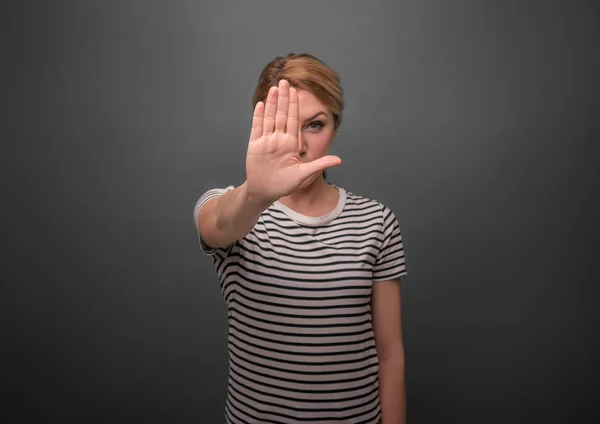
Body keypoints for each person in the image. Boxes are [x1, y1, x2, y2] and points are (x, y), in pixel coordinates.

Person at [193, 53, 408, 424]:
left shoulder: (377, 221)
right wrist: (255, 196)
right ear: (260, 126)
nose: (298, 146)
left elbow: (390, 356)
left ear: (335, 127)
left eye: (314, 125)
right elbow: (217, 224)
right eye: (285, 127)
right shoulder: (236, 208)